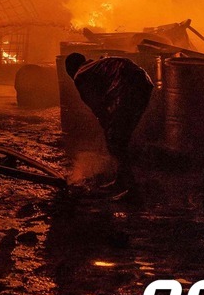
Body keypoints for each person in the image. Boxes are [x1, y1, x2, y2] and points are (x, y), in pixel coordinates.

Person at [65, 52, 154, 194]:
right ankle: (122, 181)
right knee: (121, 137)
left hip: (127, 87)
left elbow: (98, 107)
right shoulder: (94, 66)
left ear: (70, 69)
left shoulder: (80, 75)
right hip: (144, 82)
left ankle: (130, 188)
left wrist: (107, 130)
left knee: (116, 140)